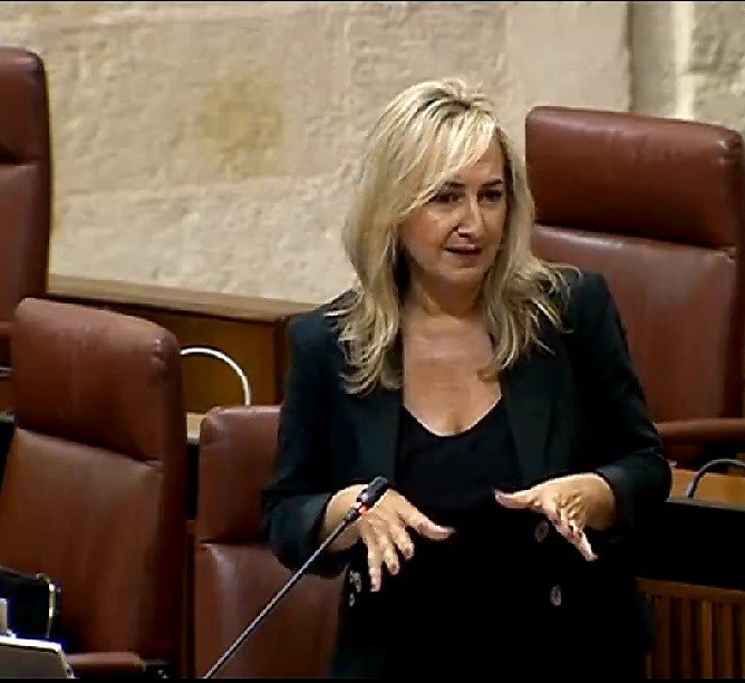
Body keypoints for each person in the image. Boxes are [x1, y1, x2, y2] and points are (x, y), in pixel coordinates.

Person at [261, 77, 671, 678]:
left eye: (491, 196)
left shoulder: (569, 312)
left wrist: (595, 493)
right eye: (446, 197)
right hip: (397, 659)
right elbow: (285, 513)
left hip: (564, 652)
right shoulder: (330, 343)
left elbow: (646, 465)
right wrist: (346, 512)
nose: (473, 223)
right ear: (394, 210)